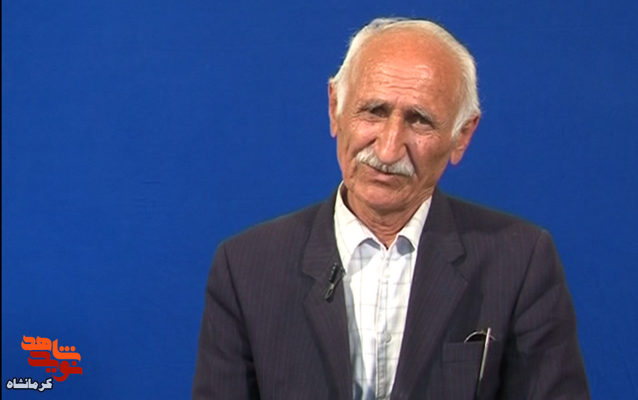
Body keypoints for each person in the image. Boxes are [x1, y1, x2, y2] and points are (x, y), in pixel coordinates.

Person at [192, 17, 590, 400]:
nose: (387, 149)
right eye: (374, 112)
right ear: (335, 107)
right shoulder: (245, 267)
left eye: (419, 121)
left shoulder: (520, 262)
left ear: (462, 135)